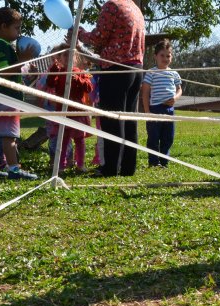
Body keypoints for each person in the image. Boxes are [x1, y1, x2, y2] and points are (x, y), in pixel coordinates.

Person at [75, 0, 145, 177]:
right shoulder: (134, 7)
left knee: (112, 120)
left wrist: (80, 33)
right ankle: (128, 168)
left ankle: (110, 168)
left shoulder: (112, 5)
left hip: (116, 68)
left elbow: (98, 37)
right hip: (136, 69)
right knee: (129, 120)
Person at [0, 7, 38, 180]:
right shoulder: (4, 47)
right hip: (6, 97)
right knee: (9, 136)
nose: (19, 32)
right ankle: (14, 169)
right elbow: (4, 72)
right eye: (17, 28)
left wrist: (24, 65)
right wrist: (22, 60)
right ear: (4, 26)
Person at [46, 43, 94, 172]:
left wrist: (78, 79)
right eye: (64, 56)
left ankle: (80, 165)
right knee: (63, 139)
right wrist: (53, 70)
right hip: (63, 110)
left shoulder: (81, 72)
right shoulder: (59, 71)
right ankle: (60, 165)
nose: (67, 58)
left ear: (75, 58)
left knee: (79, 139)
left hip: (77, 111)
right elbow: (50, 83)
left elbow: (89, 88)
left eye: (70, 56)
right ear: (60, 58)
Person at [141, 39, 182, 168]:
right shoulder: (151, 72)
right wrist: (147, 112)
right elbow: (145, 93)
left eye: (168, 56)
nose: (165, 58)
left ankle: (164, 161)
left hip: (169, 110)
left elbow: (179, 89)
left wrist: (175, 98)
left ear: (172, 57)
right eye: (162, 55)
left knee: (168, 137)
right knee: (153, 138)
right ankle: (153, 162)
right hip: (154, 110)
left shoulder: (174, 73)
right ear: (155, 56)